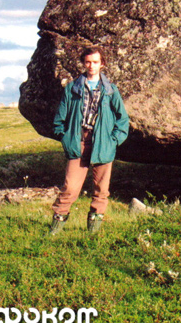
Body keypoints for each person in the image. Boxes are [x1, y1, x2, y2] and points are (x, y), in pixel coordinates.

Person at [49, 45, 129, 235]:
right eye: (88, 62)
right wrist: (66, 139)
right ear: (83, 64)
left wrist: (114, 140)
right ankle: (55, 230)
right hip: (78, 142)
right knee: (70, 188)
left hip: (103, 143)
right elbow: (59, 120)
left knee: (101, 190)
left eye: (95, 62)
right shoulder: (72, 89)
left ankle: (92, 232)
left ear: (102, 64)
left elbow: (123, 119)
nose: (91, 66)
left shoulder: (110, 90)